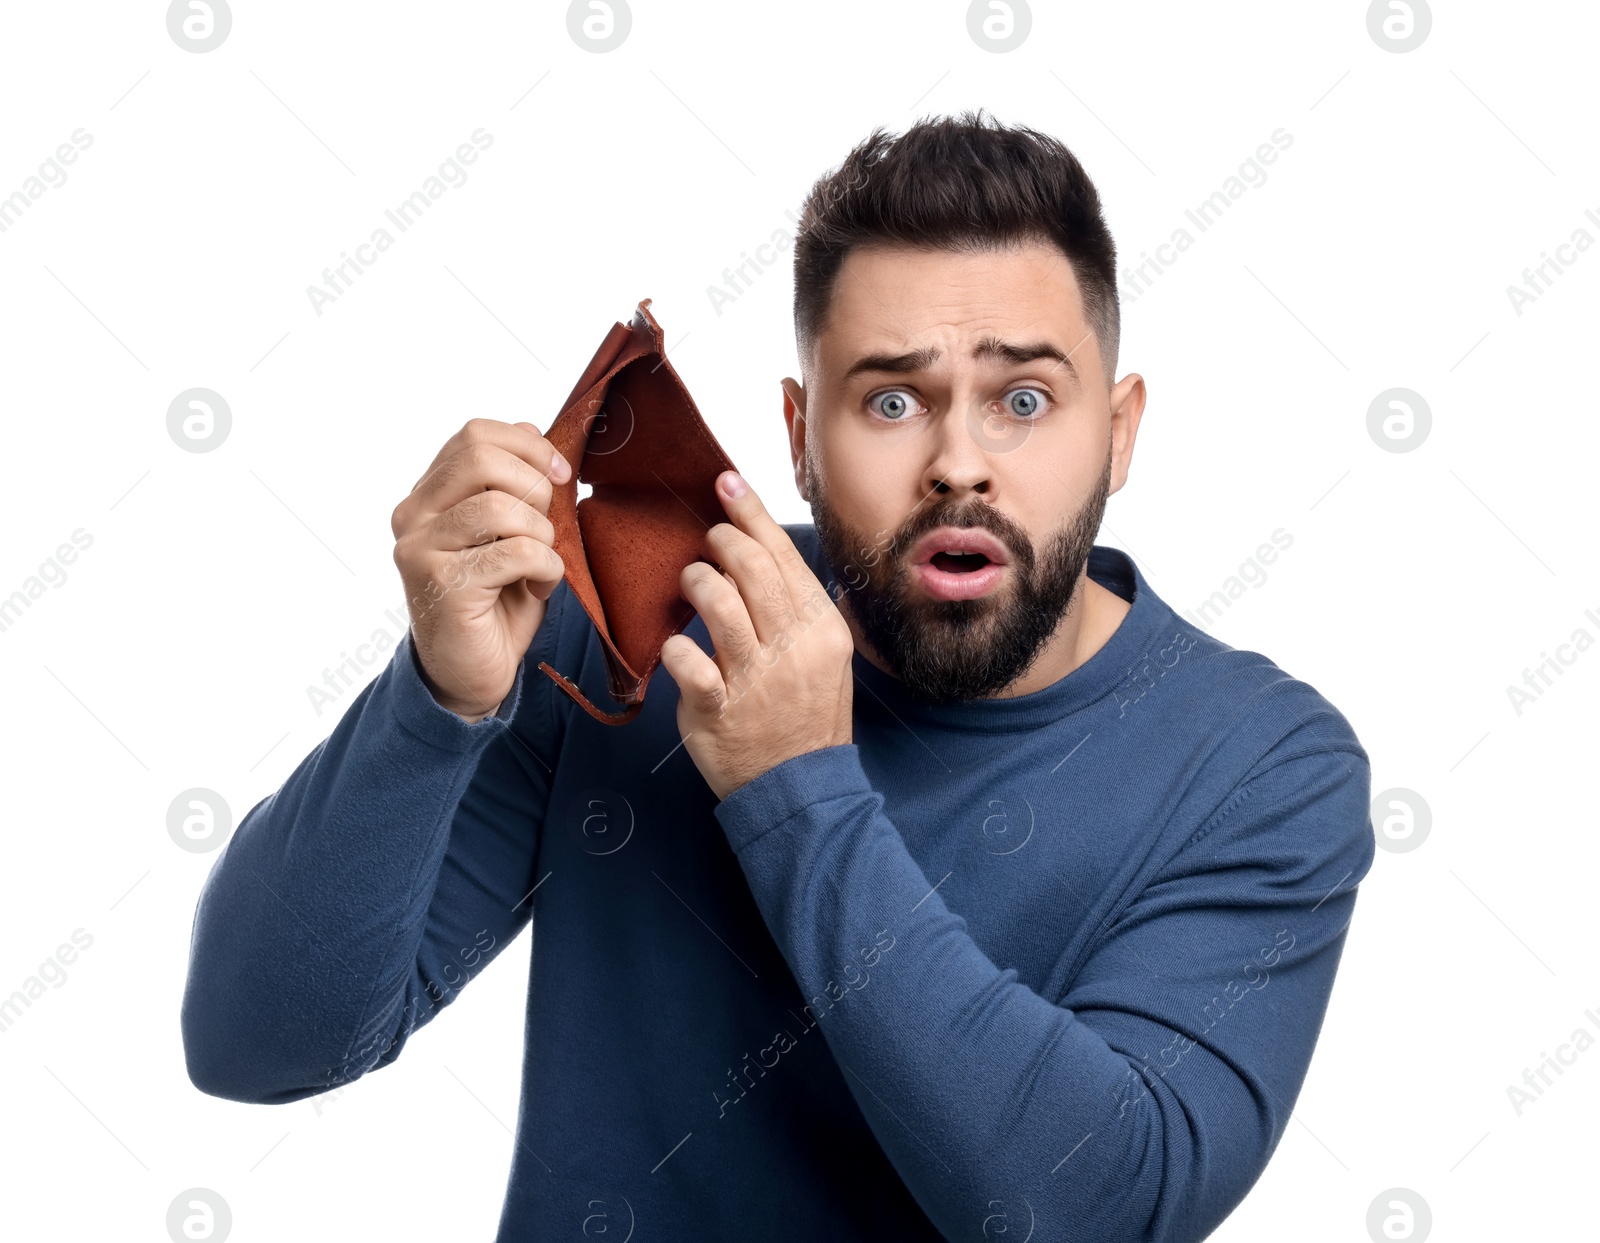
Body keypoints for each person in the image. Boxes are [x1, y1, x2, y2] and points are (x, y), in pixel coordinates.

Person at [182, 110, 1375, 1241]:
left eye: (1023, 398)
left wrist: (796, 785)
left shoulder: (1263, 765)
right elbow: (254, 1042)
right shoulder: (639, 629)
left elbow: (1096, 1208)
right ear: (798, 435)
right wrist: (435, 704)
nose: (959, 463)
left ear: (1117, 431)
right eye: (892, 399)